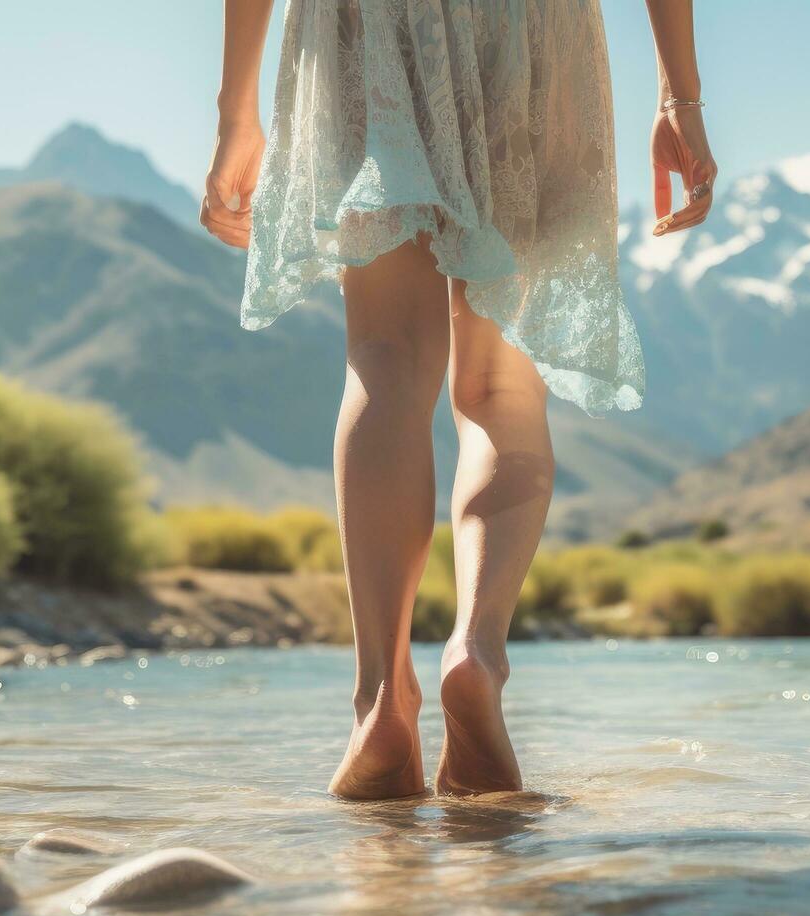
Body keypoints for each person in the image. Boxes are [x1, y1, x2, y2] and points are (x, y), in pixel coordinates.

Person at [201, 0, 715, 799]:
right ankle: (475, 651)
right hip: (535, 30)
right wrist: (677, 97)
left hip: (366, 25)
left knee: (386, 358)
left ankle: (380, 697)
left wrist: (237, 110)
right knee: (501, 388)